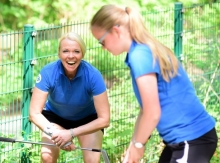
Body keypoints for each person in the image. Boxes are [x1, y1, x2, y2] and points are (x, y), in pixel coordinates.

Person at [90, 4, 218, 163]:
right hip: (180, 141)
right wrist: (133, 145)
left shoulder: (140, 56)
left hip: (192, 139)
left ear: (116, 31)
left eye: (102, 42)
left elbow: (153, 112)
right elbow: (145, 109)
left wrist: (139, 145)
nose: (103, 48)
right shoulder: (139, 52)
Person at [29, 32, 110, 163]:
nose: (71, 56)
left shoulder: (93, 75)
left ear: (82, 54)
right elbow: (34, 113)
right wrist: (57, 135)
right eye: (65, 51)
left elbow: (104, 120)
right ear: (59, 53)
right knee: (47, 156)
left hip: (87, 120)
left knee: (92, 160)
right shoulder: (48, 72)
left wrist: (70, 133)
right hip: (55, 120)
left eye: (76, 51)